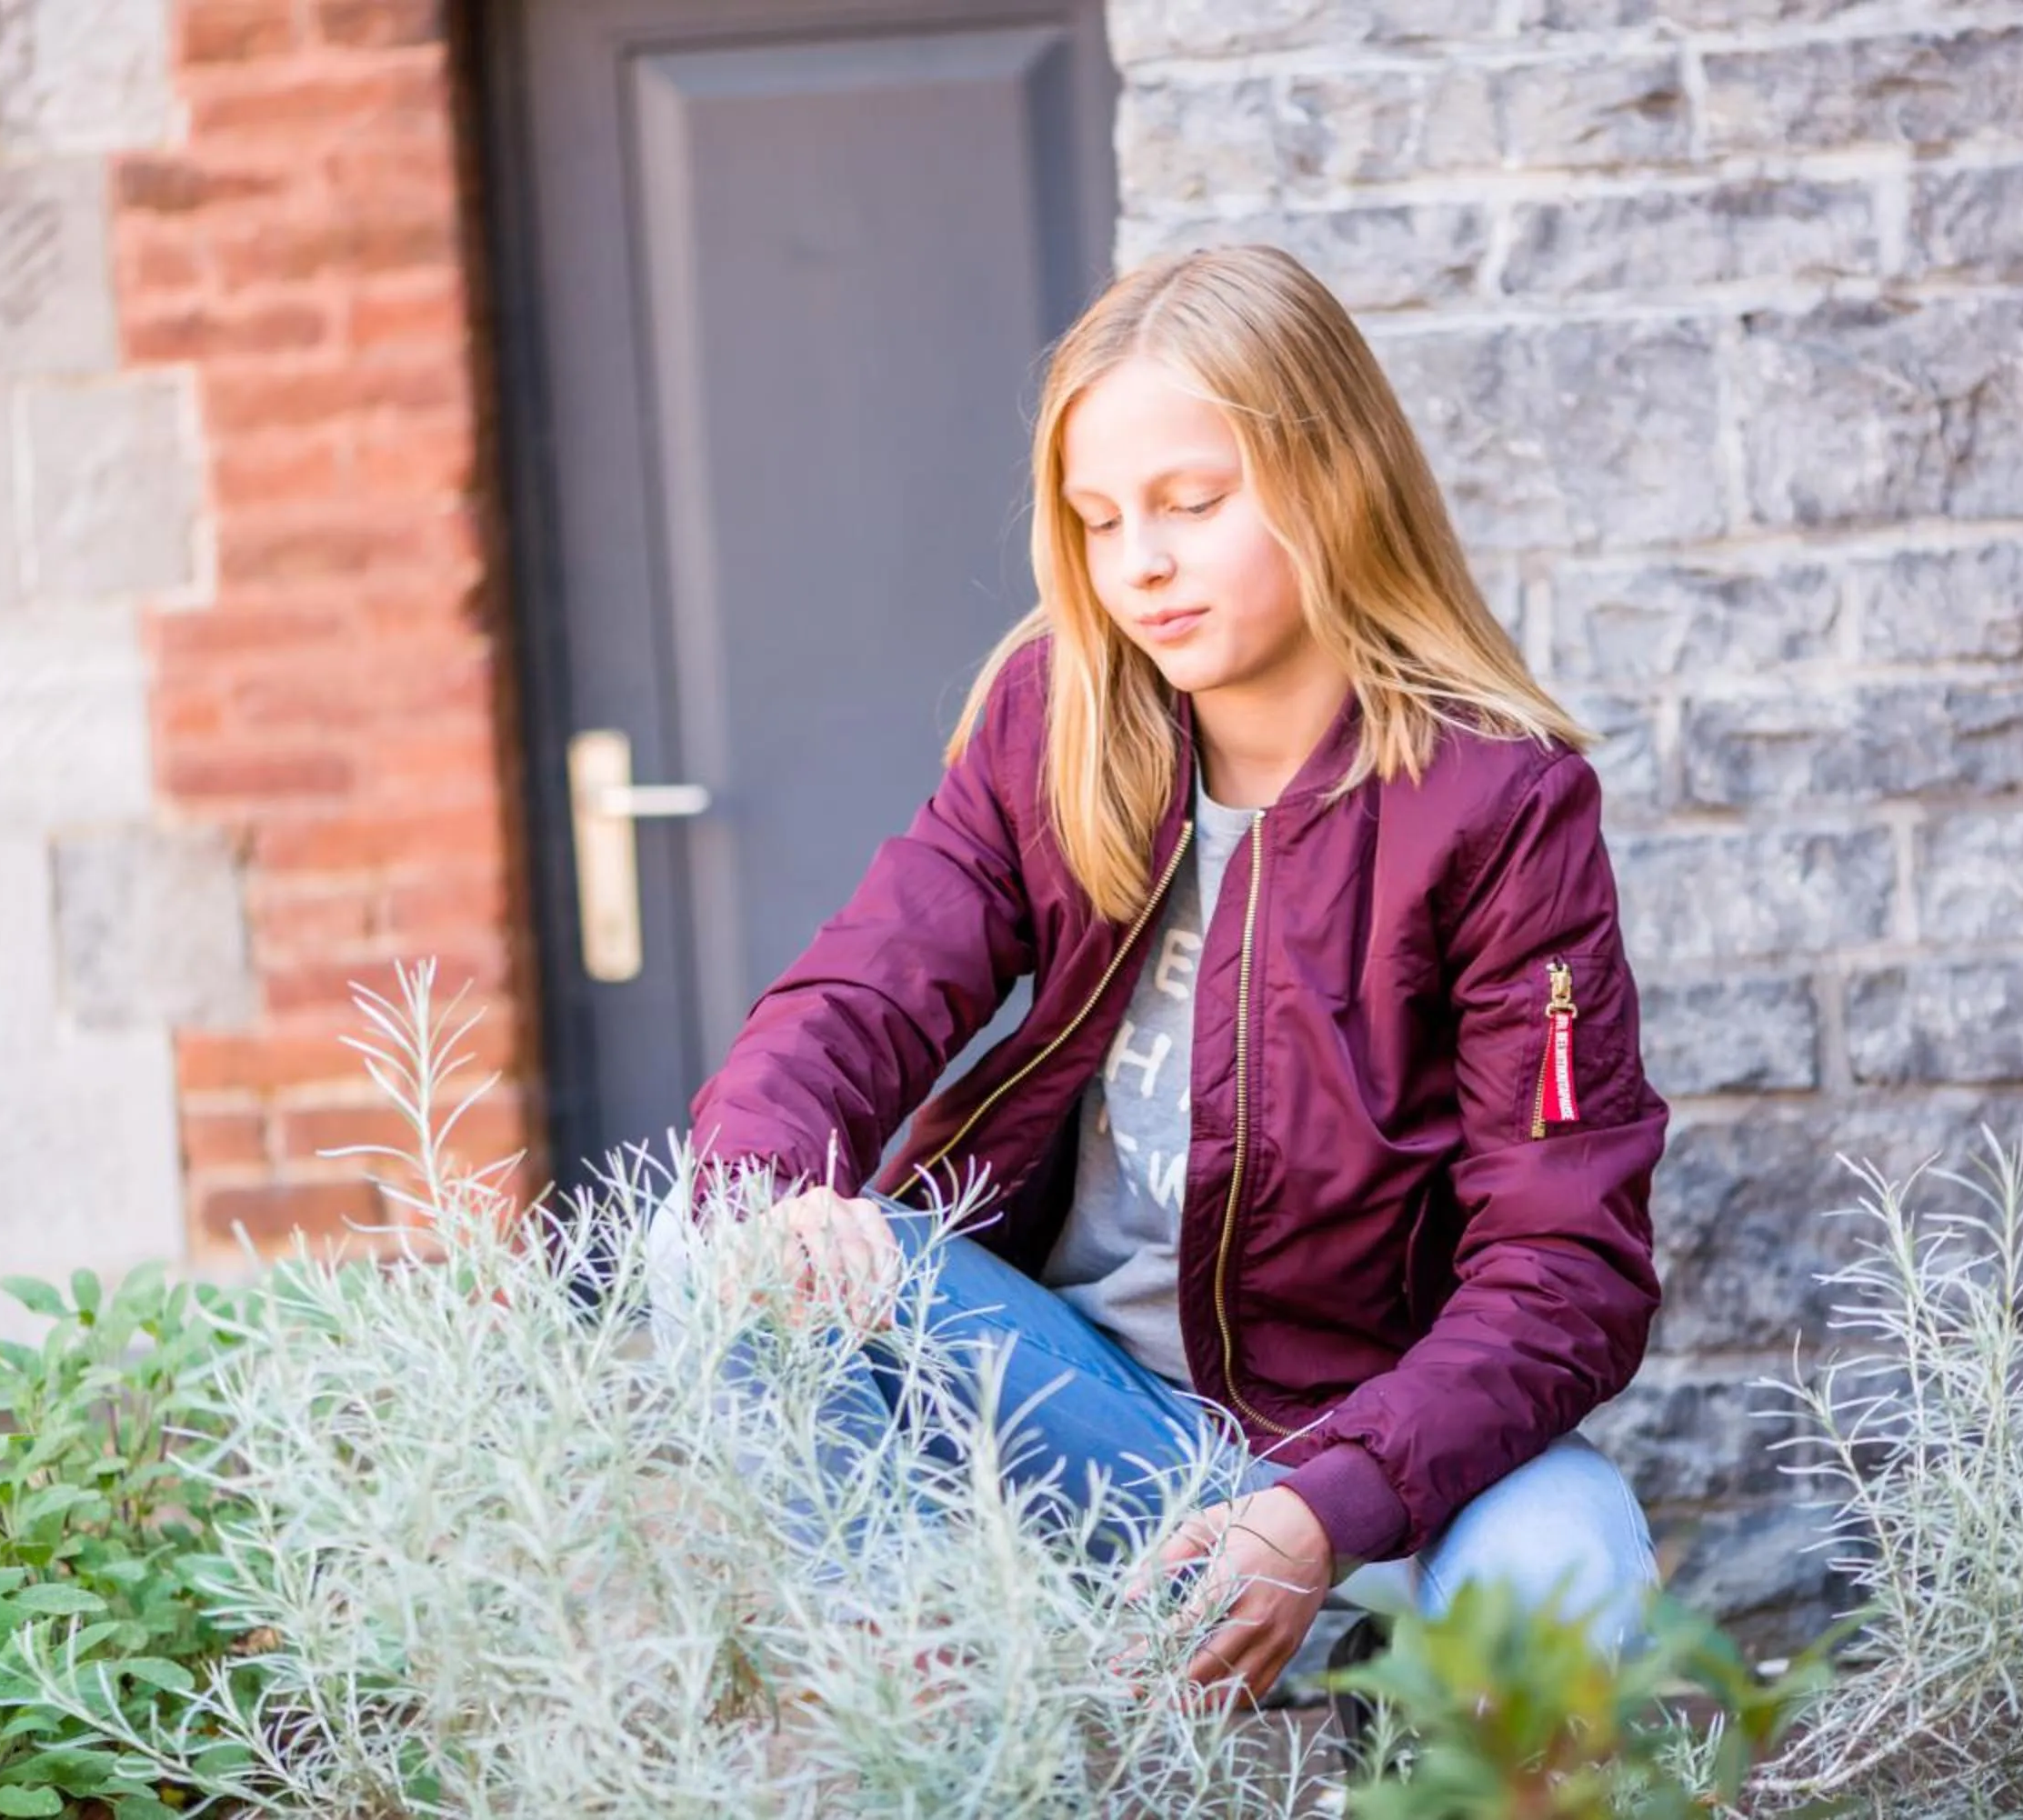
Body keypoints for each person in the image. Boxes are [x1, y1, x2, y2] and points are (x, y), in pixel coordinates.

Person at [683, 243, 1667, 1708]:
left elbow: (1566, 1269)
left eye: (1193, 505)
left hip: (1375, 1465)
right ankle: (936, 1743)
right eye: (1097, 521)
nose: (1140, 561)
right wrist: (772, 1187)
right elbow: (861, 997)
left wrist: (1324, 1508)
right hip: (1079, 1408)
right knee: (722, 1244)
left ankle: (1385, 1685)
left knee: (1571, 1575)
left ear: (1330, 480)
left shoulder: (1496, 806)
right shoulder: (1057, 721)